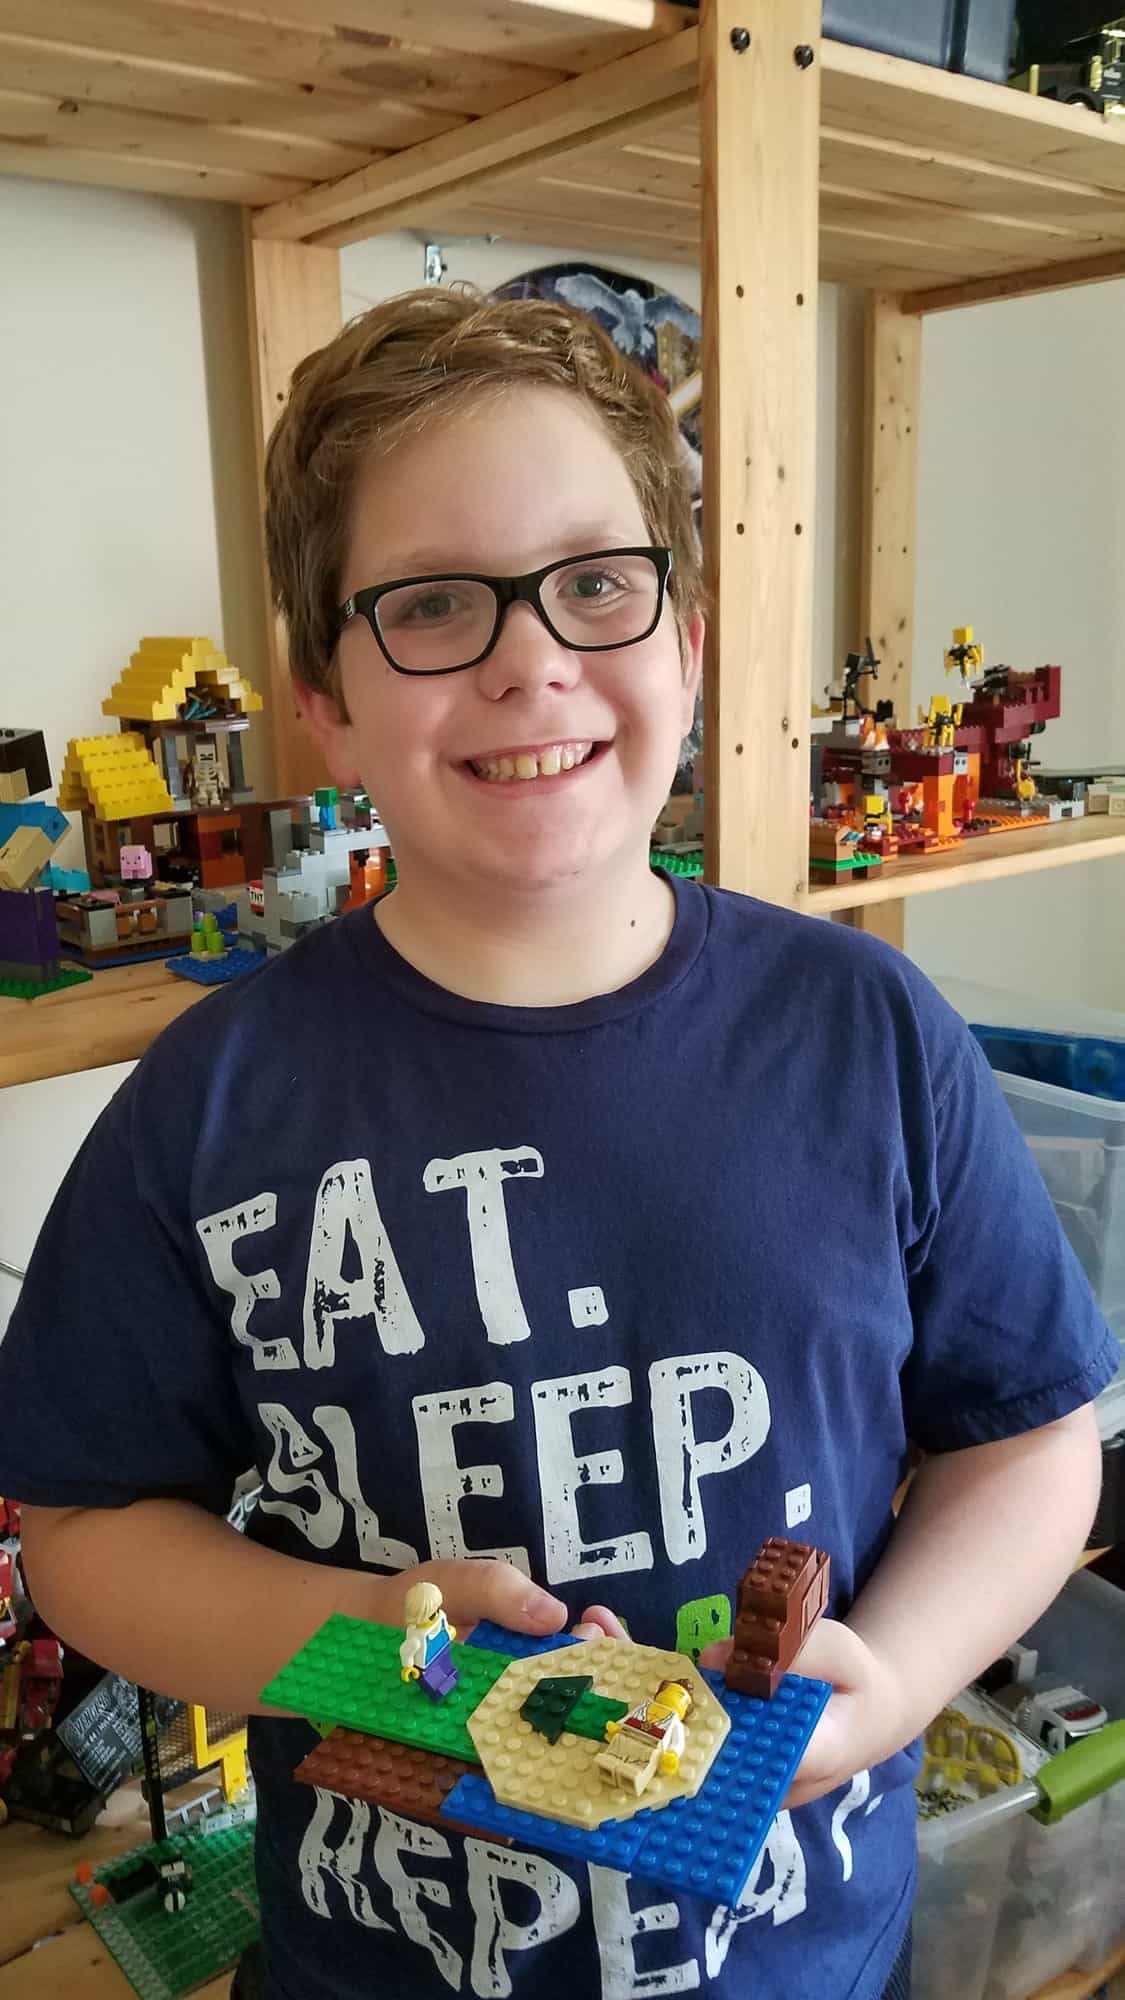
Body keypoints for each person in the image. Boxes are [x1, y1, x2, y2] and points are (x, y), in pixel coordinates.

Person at [0, 287, 1114, 2000]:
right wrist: (362, 1651)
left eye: (596, 582)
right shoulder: (205, 1109)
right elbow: (82, 1527)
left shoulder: (870, 1037)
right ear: (324, 698)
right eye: (433, 603)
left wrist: (888, 1683)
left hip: (804, 1957)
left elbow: (1029, 1442)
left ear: (683, 636)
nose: (532, 656)